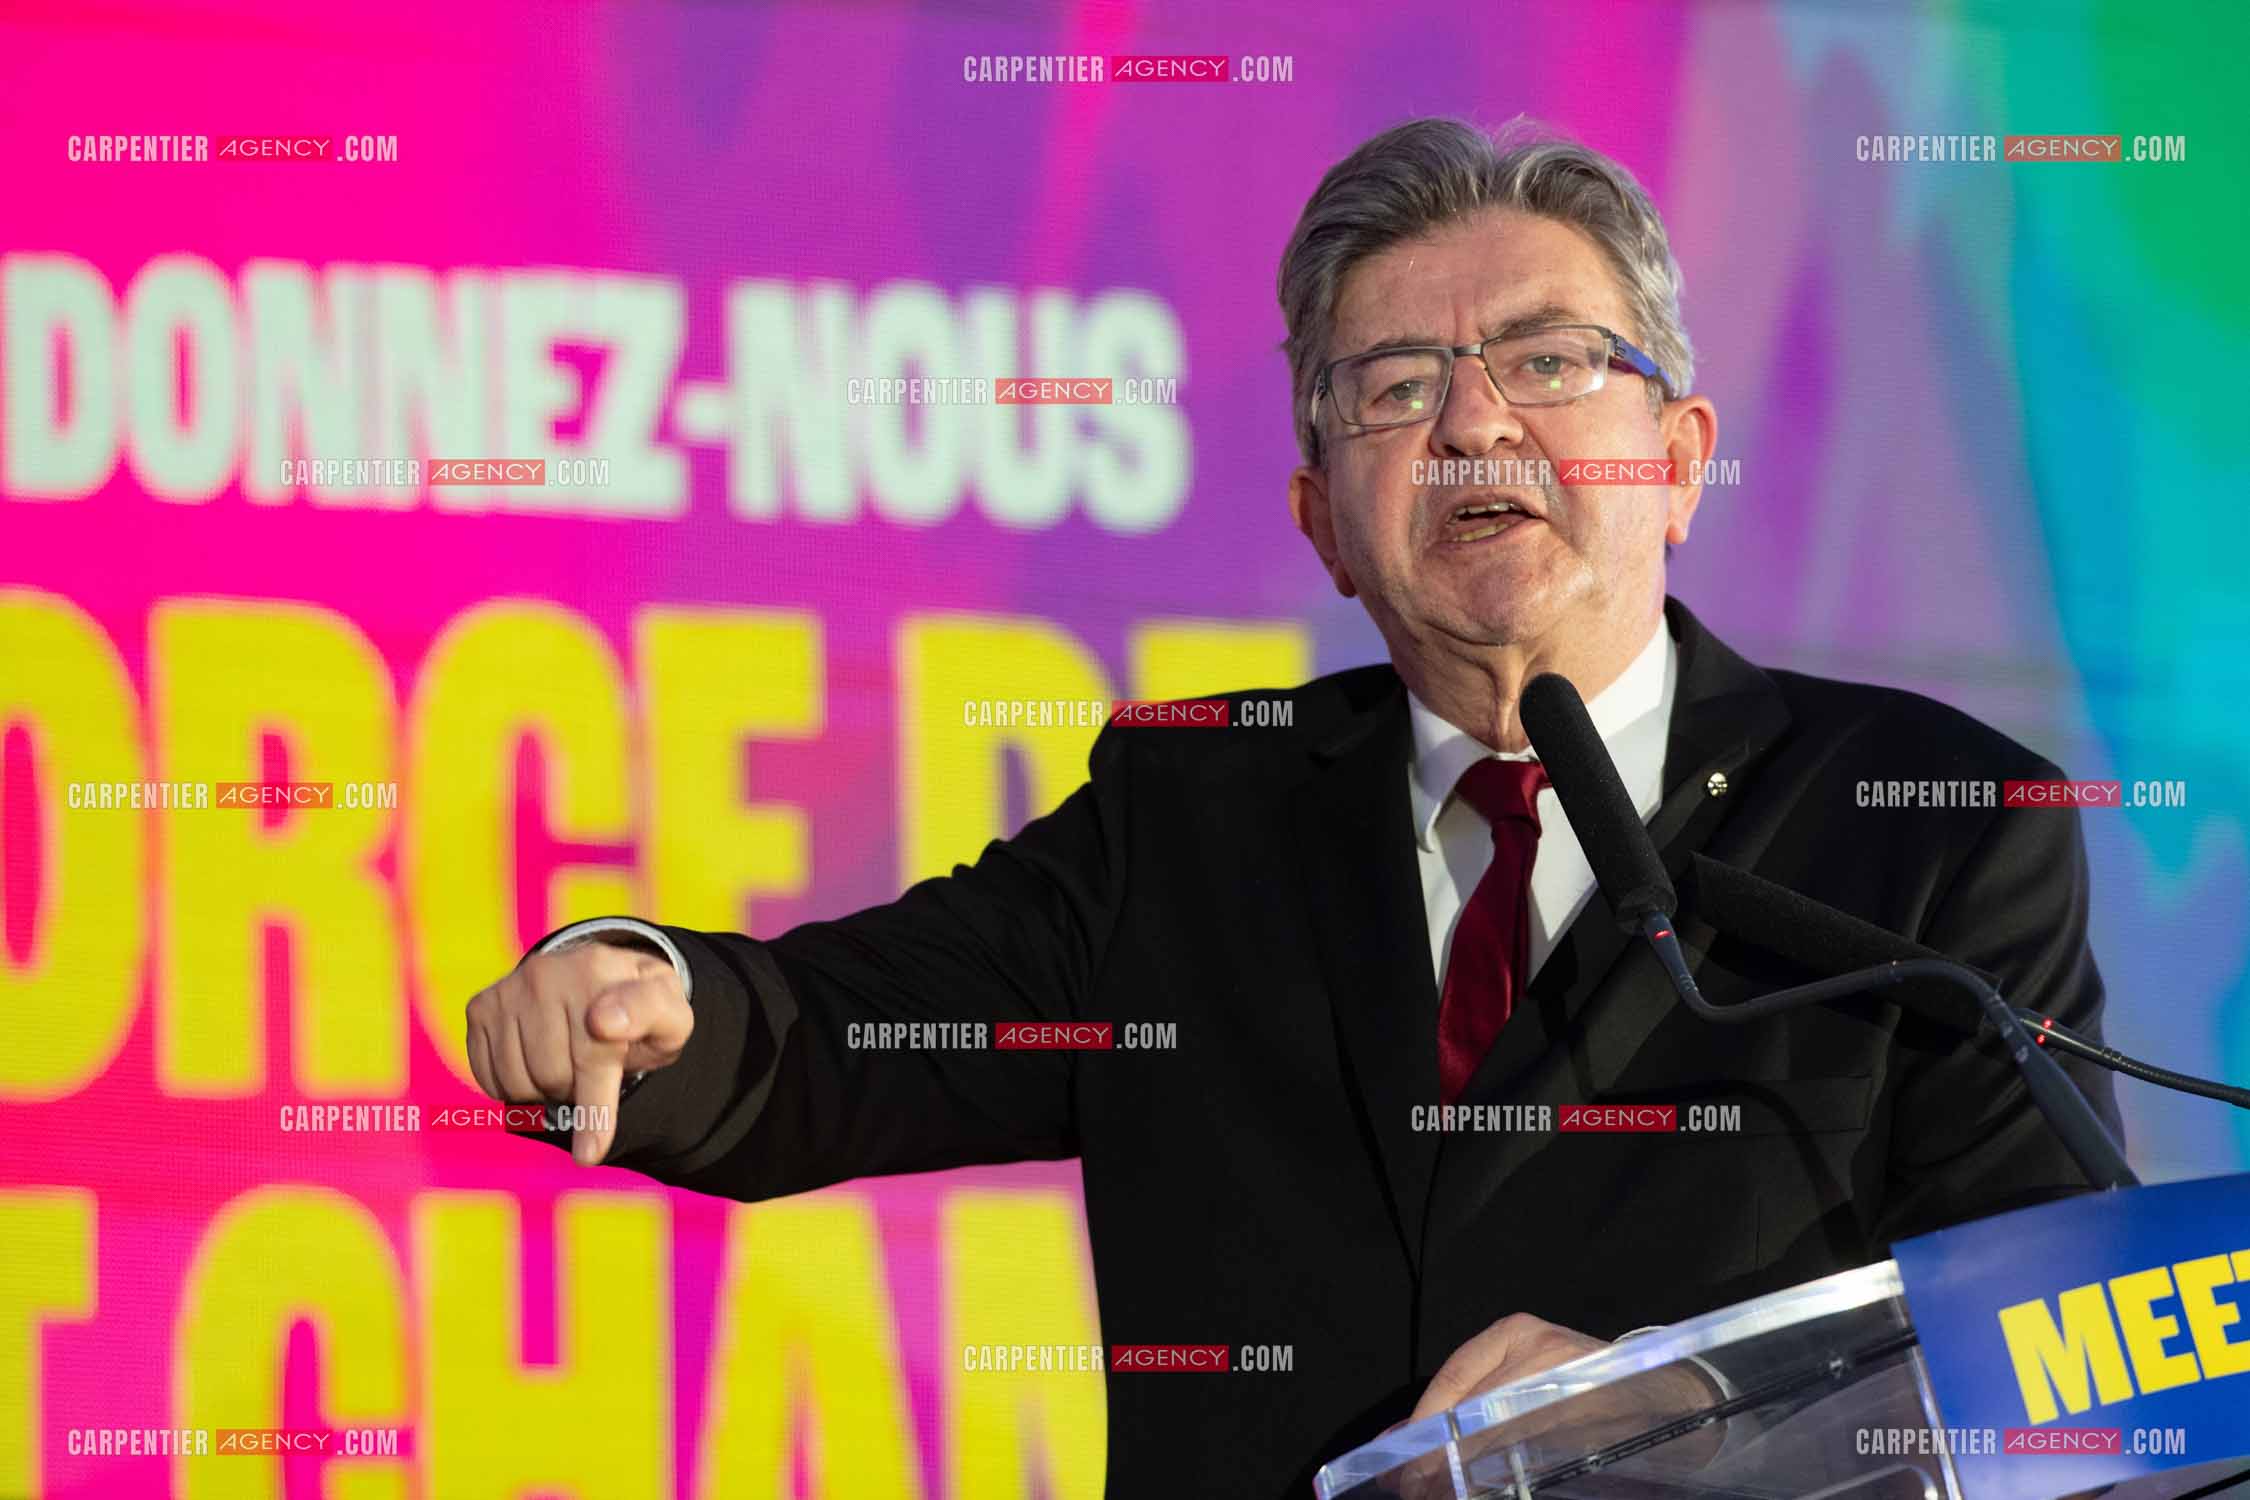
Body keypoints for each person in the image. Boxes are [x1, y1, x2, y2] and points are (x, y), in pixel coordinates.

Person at [463, 116, 2120, 1497]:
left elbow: (2060, 1355)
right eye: (1394, 387)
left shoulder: (1931, 823)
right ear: (1323, 519)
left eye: (1547, 361)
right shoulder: (1197, 802)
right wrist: (645, 991)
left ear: (1676, 458)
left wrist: (1692, 1414)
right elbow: (849, 1032)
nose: (1475, 421)